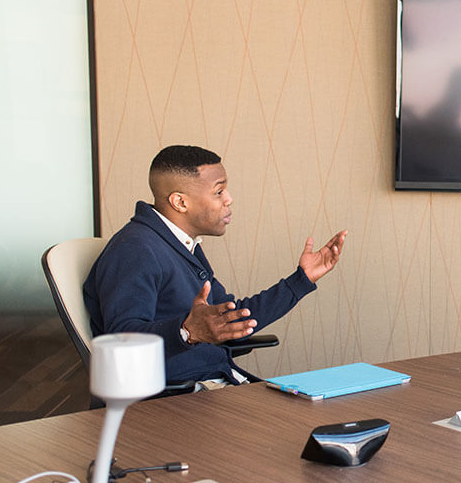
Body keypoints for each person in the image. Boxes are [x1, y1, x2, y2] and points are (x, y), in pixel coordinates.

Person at [84, 145, 347, 387]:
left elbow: (231, 318)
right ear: (180, 202)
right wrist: (187, 331)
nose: (229, 199)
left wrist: (301, 280)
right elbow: (122, 343)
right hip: (173, 404)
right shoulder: (136, 250)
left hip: (214, 383)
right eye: (219, 191)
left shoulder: (181, 245)